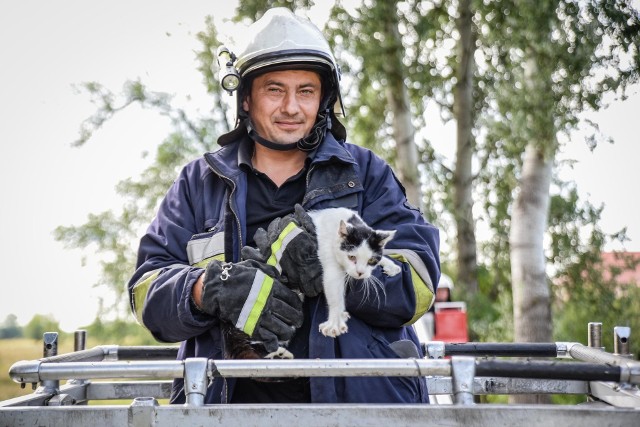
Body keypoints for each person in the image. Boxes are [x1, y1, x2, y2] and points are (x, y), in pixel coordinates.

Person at [127, 7, 440, 404]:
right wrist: (206, 289)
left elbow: (420, 281)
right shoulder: (197, 183)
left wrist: (336, 267)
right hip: (228, 412)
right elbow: (145, 290)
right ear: (245, 101)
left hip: (360, 410)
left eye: (305, 91)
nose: (292, 107)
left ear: (323, 99)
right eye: (275, 89)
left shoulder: (366, 175)